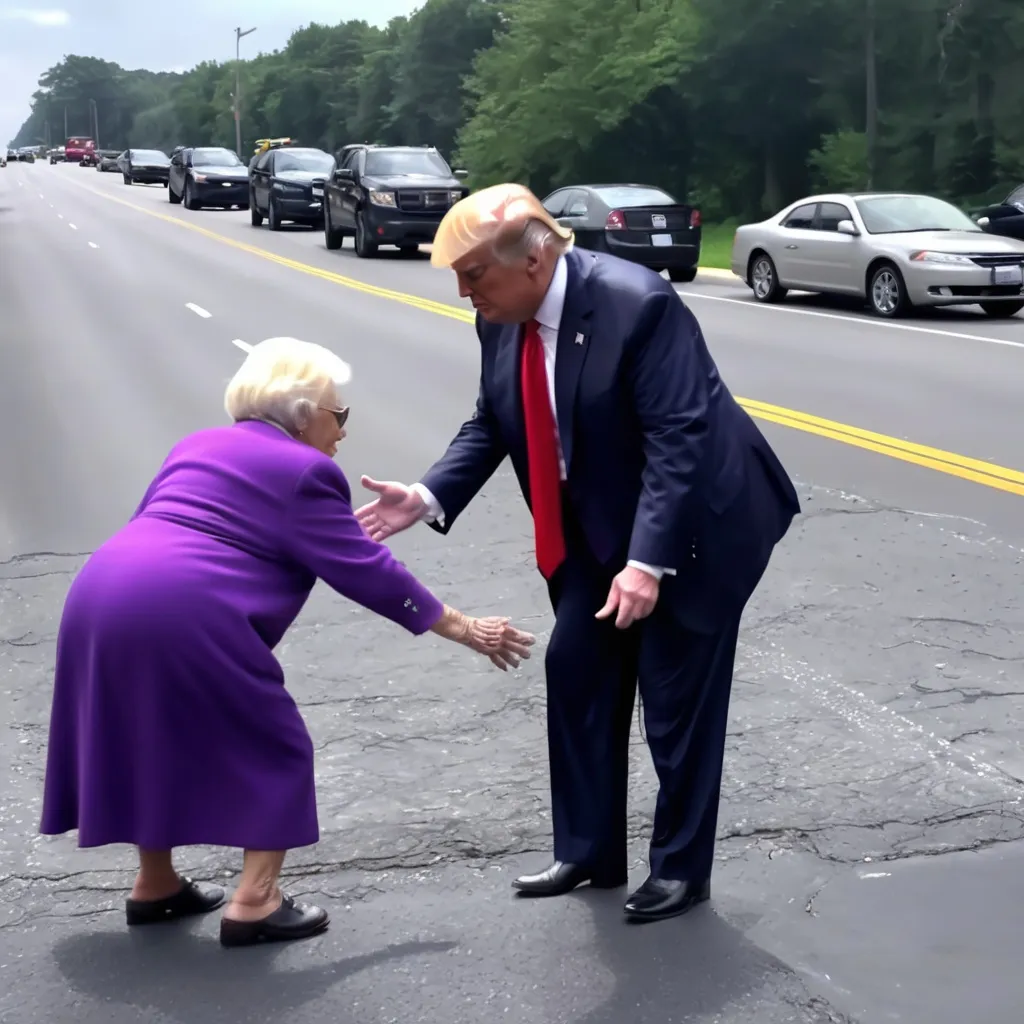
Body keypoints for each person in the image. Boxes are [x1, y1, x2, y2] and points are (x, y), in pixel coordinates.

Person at [355, 184, 801, 923]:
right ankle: (590, 850)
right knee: (578, 670)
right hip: (595, 522)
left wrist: (648, 562)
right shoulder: (502, 319)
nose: (465, 293)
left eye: (474, 276)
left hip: (694, 525)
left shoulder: (638, 306)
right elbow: (493, 420)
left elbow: (678, 440)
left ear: (534, 260)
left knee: (674, 697)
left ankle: (681, 870)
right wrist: (429, 495)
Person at [39, 336, 535, 948]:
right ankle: (256, 901)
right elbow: (370, 575)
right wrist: (465, 628)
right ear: (303, 416)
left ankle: (157, 884)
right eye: (339, 414)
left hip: (101, 594)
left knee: (150, 732)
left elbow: (197, 523)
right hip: (186, 611)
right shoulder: (307, 470)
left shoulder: (196, 444)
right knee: (275, 745)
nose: (344, 431)